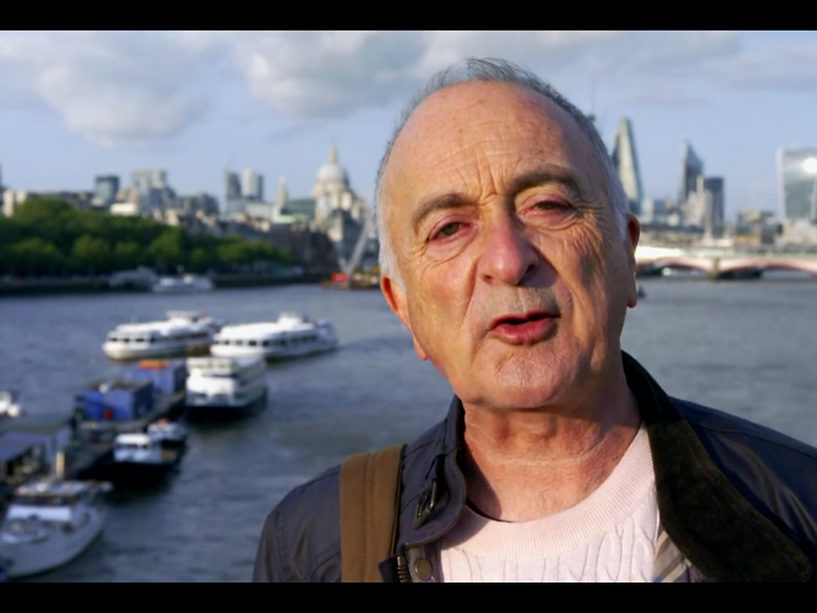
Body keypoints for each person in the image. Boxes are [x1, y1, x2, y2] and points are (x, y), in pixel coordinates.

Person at [251, 57, 817, 582]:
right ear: (403, 308)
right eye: (449, 229)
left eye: (548, 206)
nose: (507, 260)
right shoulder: (313, 544)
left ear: (627, 257)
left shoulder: (800, 506)